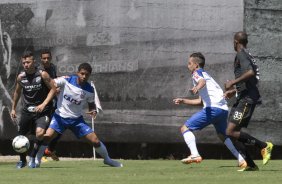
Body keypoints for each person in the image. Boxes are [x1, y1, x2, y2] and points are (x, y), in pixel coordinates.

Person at [36, 63, 123, 167]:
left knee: (95, 141)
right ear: (78, 73)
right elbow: (51, 83)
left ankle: (107, 160)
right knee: (47, 136)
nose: (84, 76)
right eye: (82, 74)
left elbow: (91, 105)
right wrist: (54, 87)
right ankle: (37, 160)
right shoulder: (66, 80)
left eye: (87, 74)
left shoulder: (89, 89)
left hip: (76, 120)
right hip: (60, 117)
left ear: (89, 75)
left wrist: (93, 110)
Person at [173, 52, 246, 167]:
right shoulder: (207, 75)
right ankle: (241, 160)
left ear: (196, 65)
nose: (188, 66)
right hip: (222, 110)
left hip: (213, 109)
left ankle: (195, 154)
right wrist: (184, 100)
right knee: (223, 136)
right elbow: (200, 101)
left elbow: (202, 82)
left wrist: (196, 87)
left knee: (185, 128)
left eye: (189, 63)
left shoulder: (196, 73)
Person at [224, 31, 273, 171]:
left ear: (235, 42)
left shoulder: (241, 54)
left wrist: (232, 82)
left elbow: (250, 73)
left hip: (247, 99)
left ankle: (264, 146)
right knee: (233, 134)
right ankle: (251, 165)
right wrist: (234, 91)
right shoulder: (247, 54)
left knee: (230, 132)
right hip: (243, 96)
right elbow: (250, 80)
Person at [10, 51, 57, 169]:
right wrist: (13, 108)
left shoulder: (42, 74)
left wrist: (43, 104)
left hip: (42, 111)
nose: (26, 64)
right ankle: (22, 161)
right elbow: (17, 92)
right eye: (24, 62)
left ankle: (32, 157)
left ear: (34, 62)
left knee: (40, 133)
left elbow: (53, 89)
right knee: (20, 137)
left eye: (28, 62)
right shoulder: (21, 77)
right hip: (26, 111)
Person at [39, 49, 60, 162]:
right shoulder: (39, 71)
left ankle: (50, 149)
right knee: (43, 128)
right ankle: (41, 154)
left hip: (54, 103)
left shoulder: (52, 67)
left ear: (51, 58)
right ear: (41, 59)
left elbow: (54, 81)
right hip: (42, 104)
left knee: (58, 128)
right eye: (44, 58)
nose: (46, 60)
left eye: (48, 58)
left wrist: (58, 86)